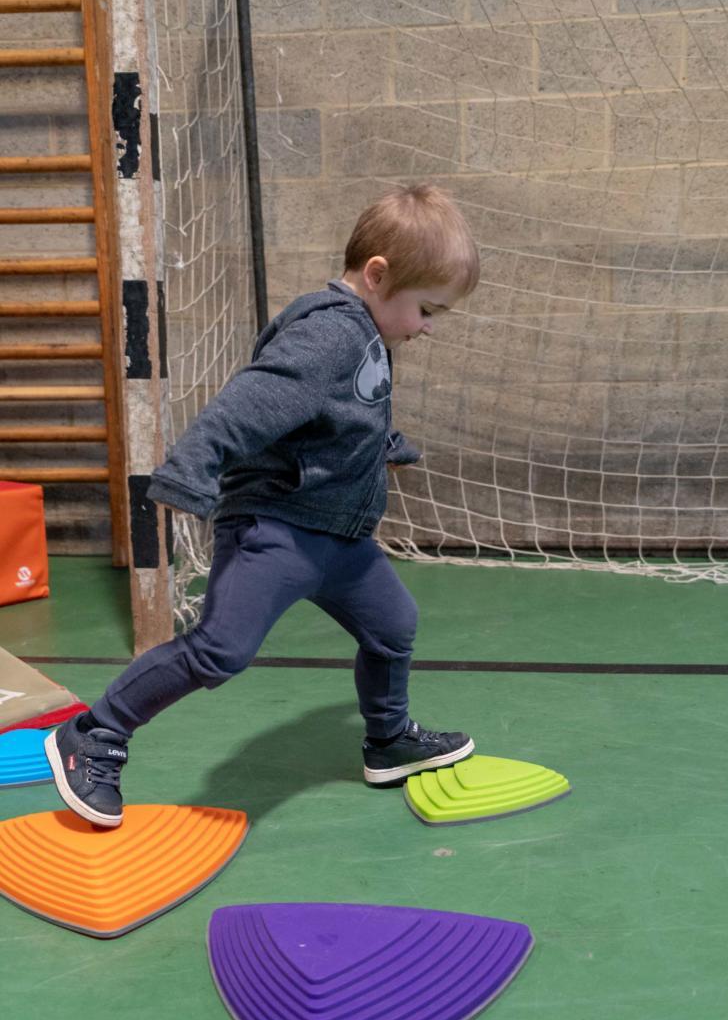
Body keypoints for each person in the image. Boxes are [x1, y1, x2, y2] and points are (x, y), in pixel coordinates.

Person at [45, 183, 481, 828]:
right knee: (220, 651)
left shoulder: (365, 334)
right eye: (426, 309)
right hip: (277, 529)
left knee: (393, 626)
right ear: (377, 275)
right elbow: (250, 405)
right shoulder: (329, 334)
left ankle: (388, 740)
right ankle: (94, 733)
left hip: (338, 537)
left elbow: (338, 410)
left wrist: (380, 443)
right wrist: (192, 469)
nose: (427, 327)